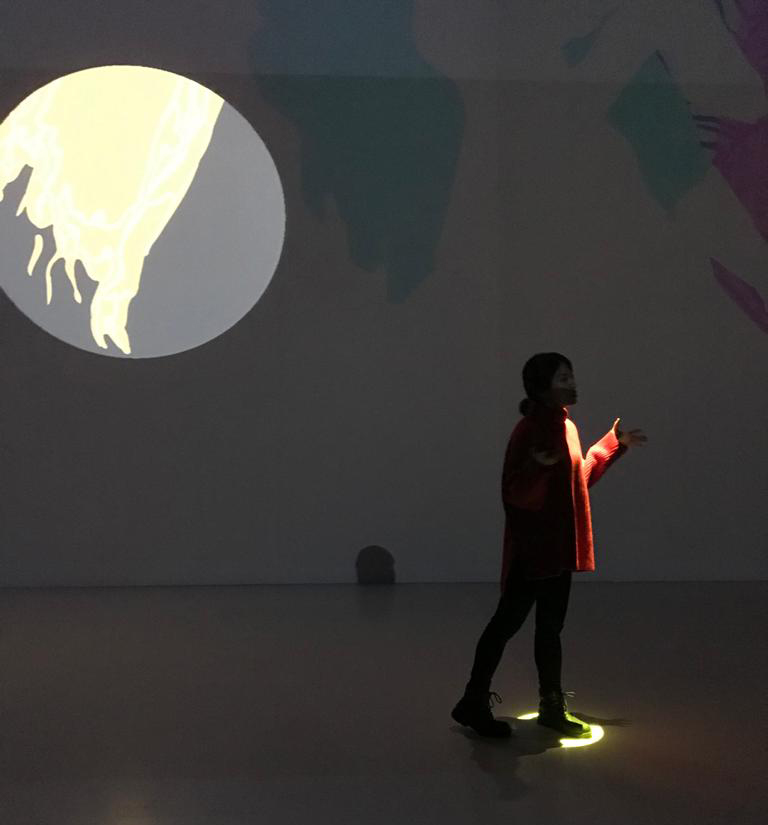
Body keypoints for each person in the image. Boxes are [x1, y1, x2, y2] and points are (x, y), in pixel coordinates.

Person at [451, 352, 647, 738]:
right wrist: (538, 468)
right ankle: (473, 701)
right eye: (563, 378)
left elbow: (577, 481)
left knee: (549, 628)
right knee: (506, 623)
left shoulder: (565, 427)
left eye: (571, 375)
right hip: (533, 551)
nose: (572, 383)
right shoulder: (529, 431)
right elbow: (514, 492)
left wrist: (612, 445)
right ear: (542, 387)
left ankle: (552, 706)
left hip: (558, 550)